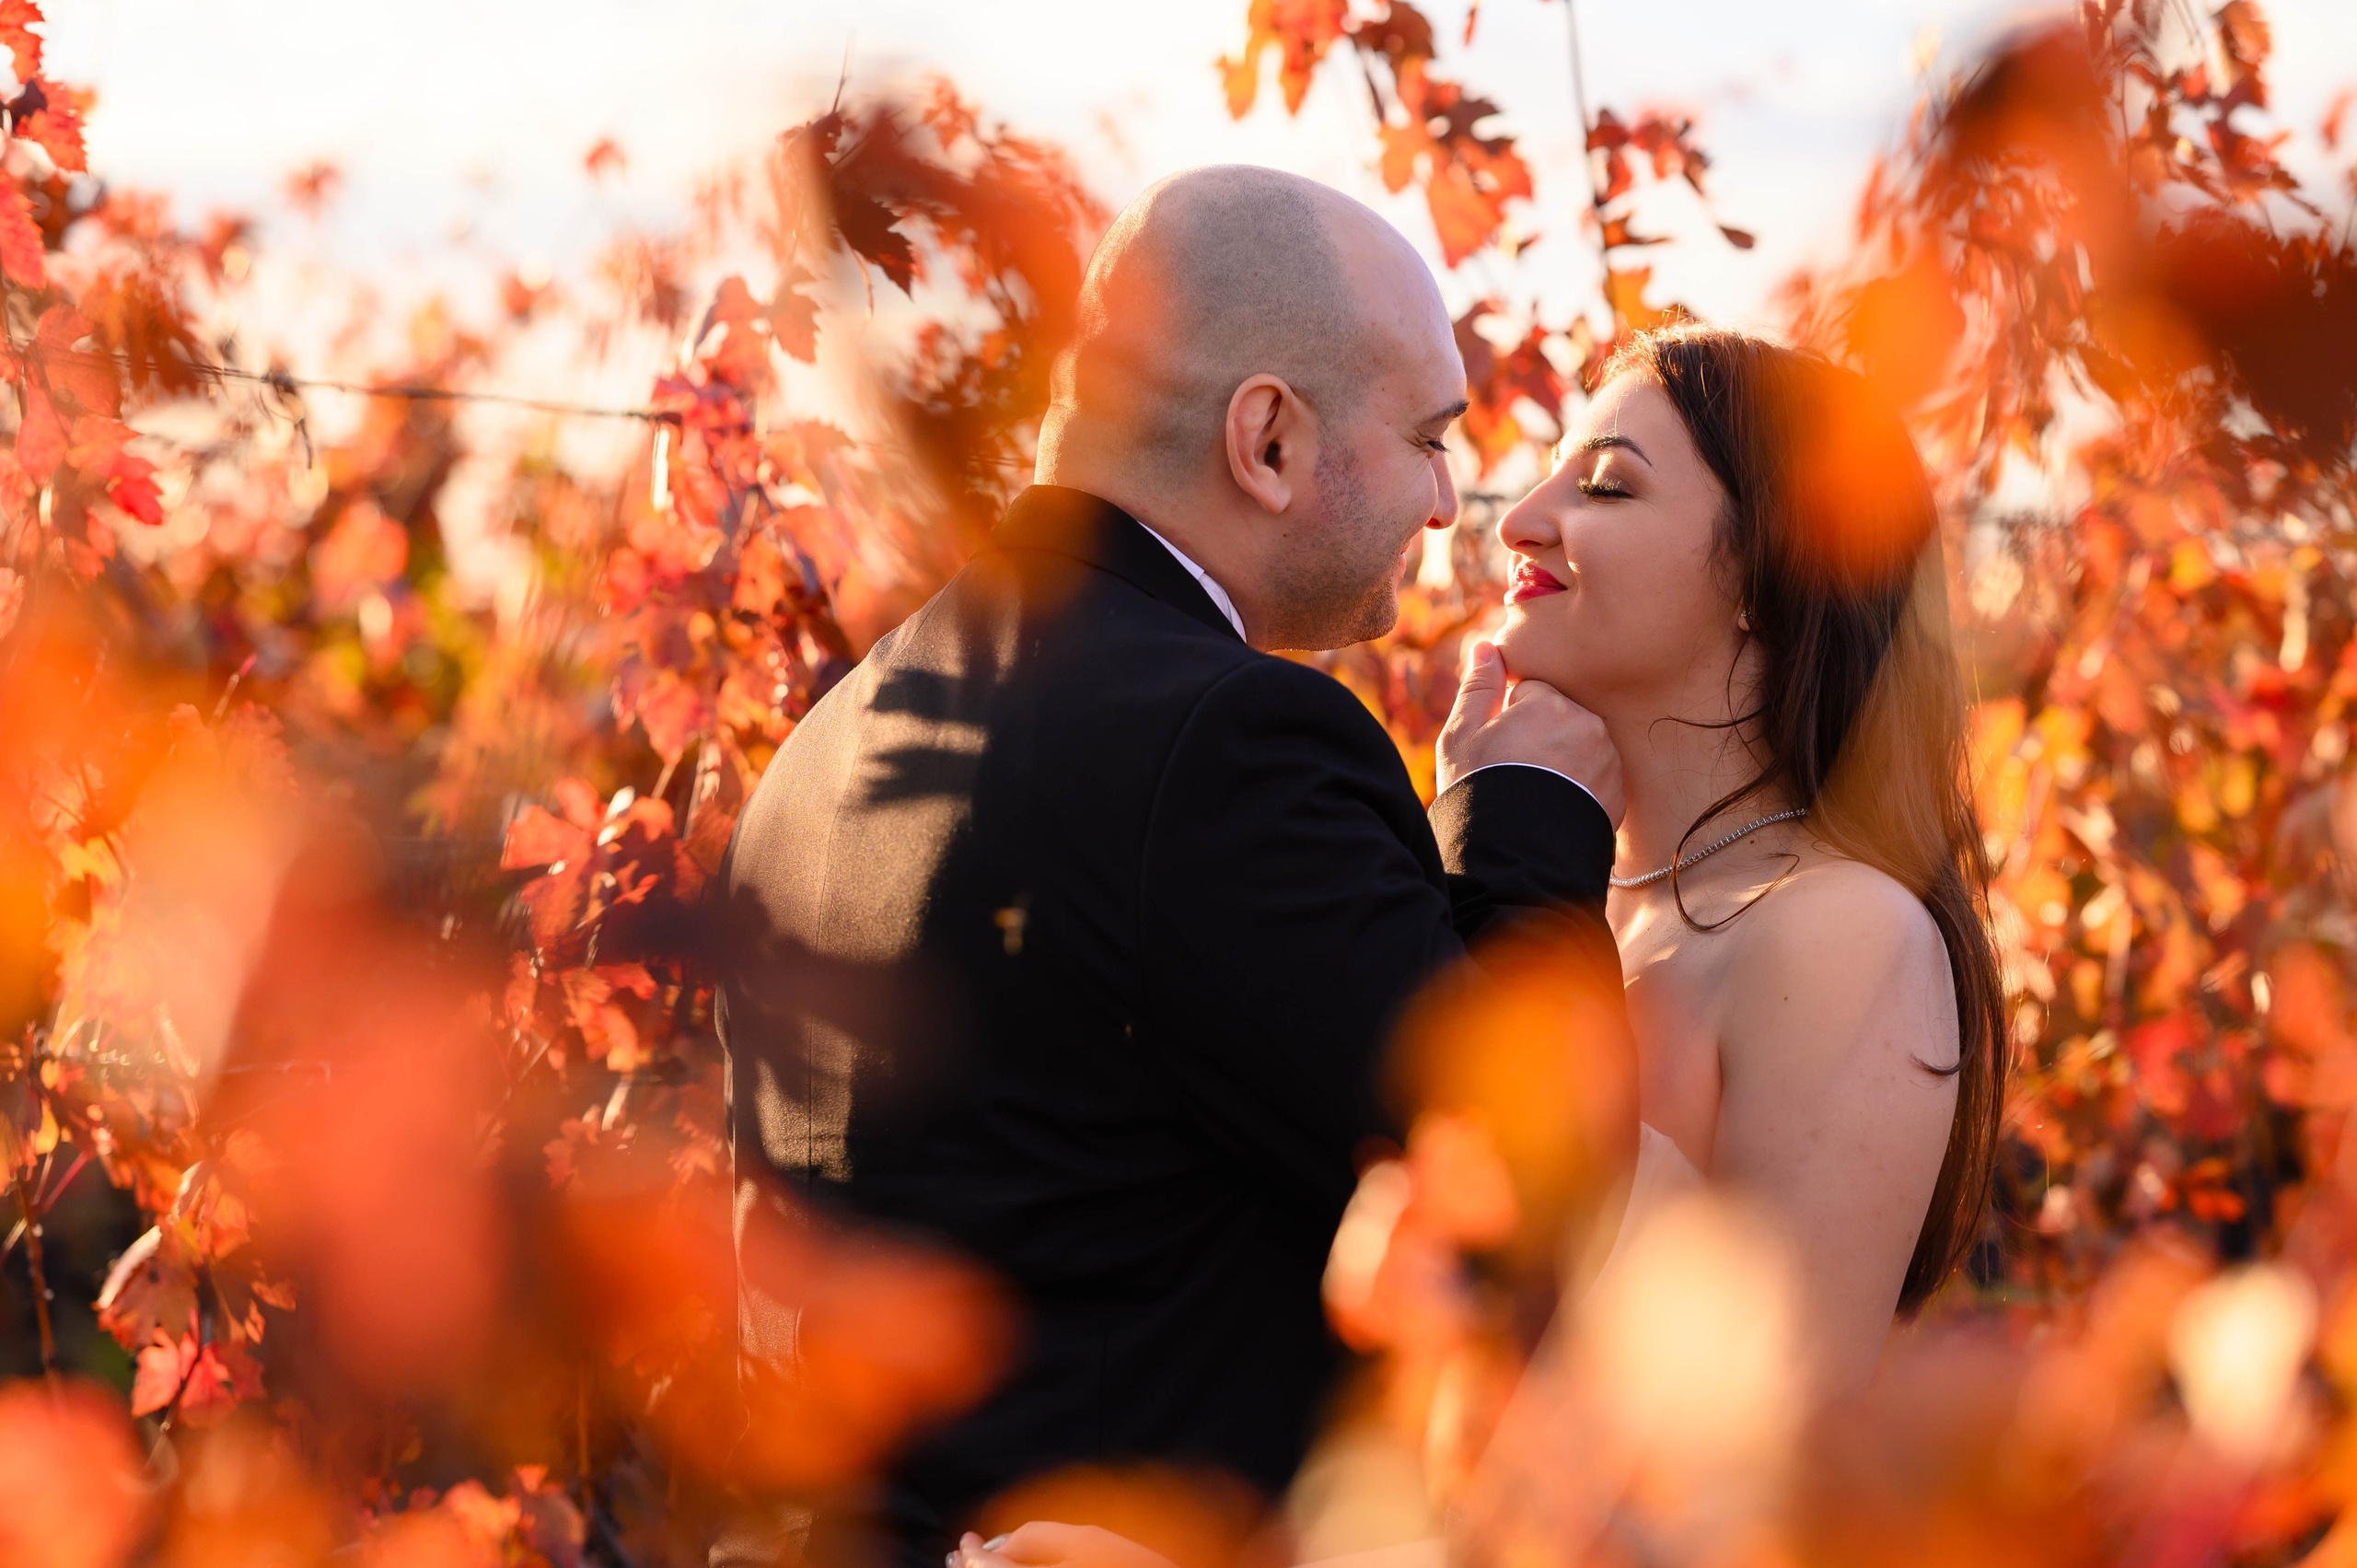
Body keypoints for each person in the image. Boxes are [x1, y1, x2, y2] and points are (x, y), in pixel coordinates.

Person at [951, 329, 2006, 1568]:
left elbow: (1761, 1489)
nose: (1522, 519)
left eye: (1606, 486)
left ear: (1774, 570)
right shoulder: (1561, 907)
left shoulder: (1839, 933)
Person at [714, 166, 1628, 1568]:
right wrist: (1530, 813)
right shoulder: (1224, 746)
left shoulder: (833, 741)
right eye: (1429, 437)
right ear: (1267, 438)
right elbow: (1517, 1189)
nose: (1452, 502)